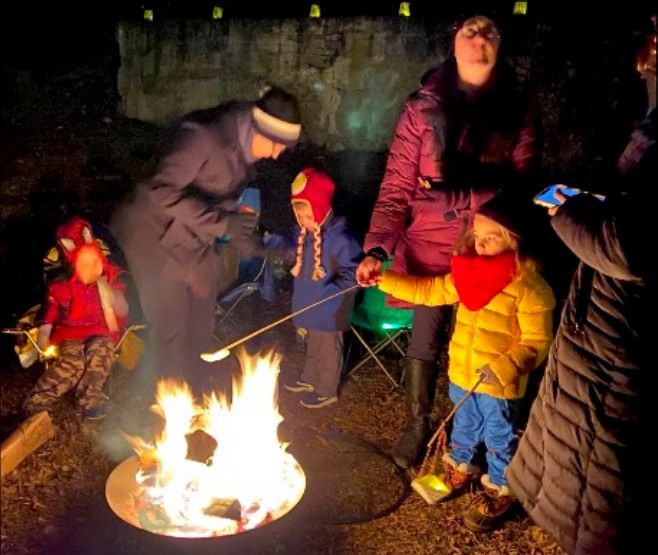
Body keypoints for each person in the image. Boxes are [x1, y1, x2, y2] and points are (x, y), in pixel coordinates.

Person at [356, 14, 541, 468]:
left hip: (490, 248)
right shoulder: (422, 108)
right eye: (469, 32)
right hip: (428, 249)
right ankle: (417, 424)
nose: (480, 40)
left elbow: (522, 187)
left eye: (490, 32)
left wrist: (446, 197)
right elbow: (398, 185)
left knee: (492, 343)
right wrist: (378, 248)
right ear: (454, 44)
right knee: (425, 340)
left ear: (500, 45)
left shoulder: (519, 108)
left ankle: (487, 441)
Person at [507, 17, 656, 555]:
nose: (650, 51)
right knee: (585, 472)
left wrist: (567, 210)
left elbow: (630, 248)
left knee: (604, 489)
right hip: (604, 336)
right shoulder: (648, 125)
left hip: (622, 350)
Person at [370, 193, 554, 531]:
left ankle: (501, 486)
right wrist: (383, 278)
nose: (480, 245)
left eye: (491, 238)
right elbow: (429, 292)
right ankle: (460, 467)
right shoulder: (468, 275)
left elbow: (537, 342)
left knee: (500, 435)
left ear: (514, 240)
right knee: (465, 426)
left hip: (498, 383)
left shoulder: (530, 288)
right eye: (477, 237)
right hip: (463, 374)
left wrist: (503, 368)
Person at [110, 86, 302, 396]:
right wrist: (222, 223)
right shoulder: (202, 136)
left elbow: (228, 211)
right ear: (261, 131)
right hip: (153, 237)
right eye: (279, 144)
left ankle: (195, 391)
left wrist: (267, 250)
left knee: (201, 323)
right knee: (172, 329)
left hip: (193, 241)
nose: (279, 153)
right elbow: (161, 191)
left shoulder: (242, 154)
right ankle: (170, 408)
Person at [23, 217, 129, 420]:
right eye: (85, 264)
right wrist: (44, 331)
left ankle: (90, 400)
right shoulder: (64, 287)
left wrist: (117, 300)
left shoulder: (108, 283)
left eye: (95, 263)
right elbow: (51, 311)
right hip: (71, 333)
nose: (91, 268)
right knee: (74, 363)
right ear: (74, 263)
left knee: (101, 354)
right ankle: (38, 400)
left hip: (100, 331)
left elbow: (121, 310)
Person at [281, 167, 362, 408]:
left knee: (327, 348)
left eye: (306, 216)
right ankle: (309, 378)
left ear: (320, 209)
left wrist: (335, 291)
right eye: (299, 217)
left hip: (331, 308)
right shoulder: (304, 236)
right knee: (313, 345)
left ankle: (326, 388)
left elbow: (354, 273)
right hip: (310, 305)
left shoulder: (341, 238)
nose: (302, 222)